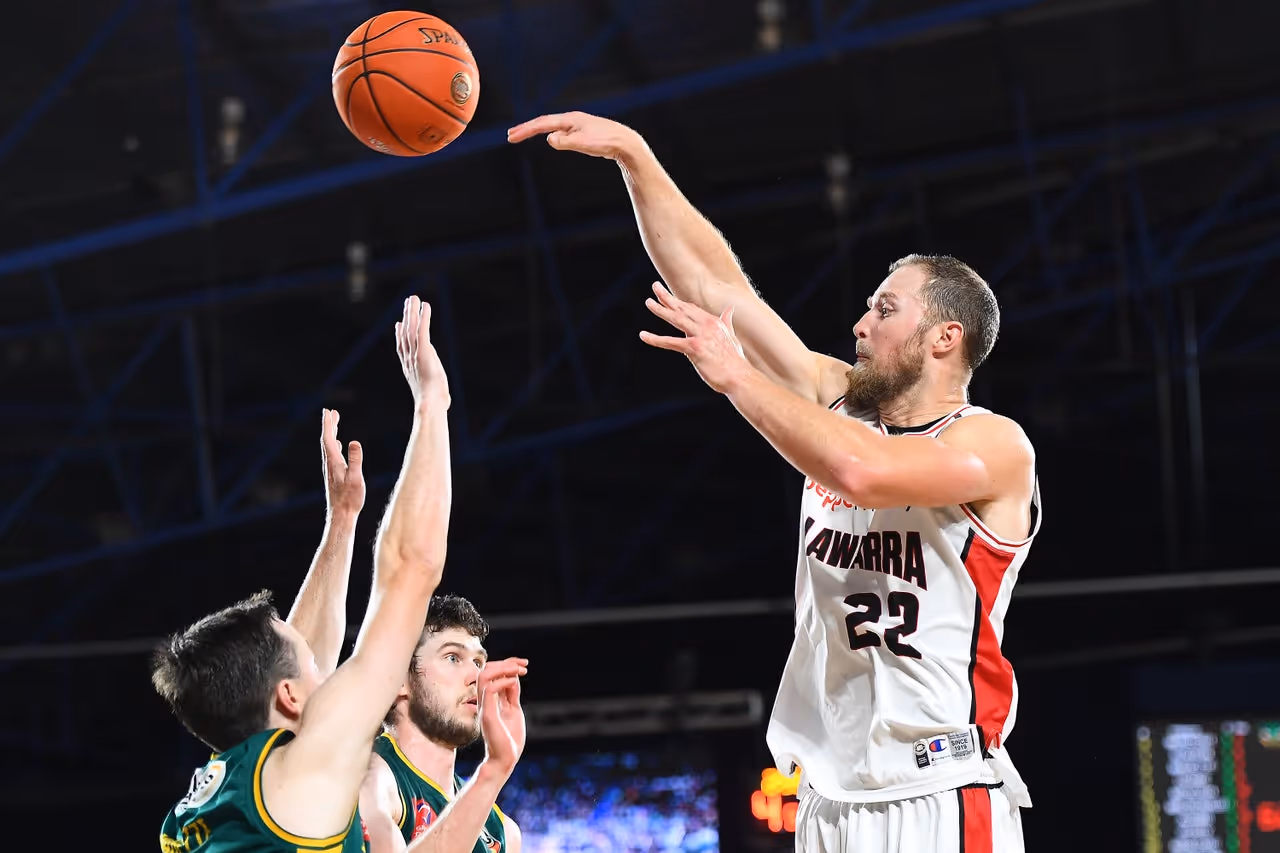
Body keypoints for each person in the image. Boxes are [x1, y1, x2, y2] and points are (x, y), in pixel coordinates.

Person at [509, 114, 1041, 852]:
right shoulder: (838, 396)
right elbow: (714, 284)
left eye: (885, 309)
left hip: (939, 793)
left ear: (944, 337)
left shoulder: (993, 443)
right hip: (827, 797)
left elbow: (859, 471)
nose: (859, 322)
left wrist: (736, 379)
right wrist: (635, 157)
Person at [153, 296, 466, 853]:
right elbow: (411, 569)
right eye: (310, 663)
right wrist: (431, 404)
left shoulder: (221, 786)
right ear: (291, 697)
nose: (328, 662)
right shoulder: (307, 775)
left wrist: (342, 522)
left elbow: (302, 659)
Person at [359, 594, 526, 853]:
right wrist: (493, 771)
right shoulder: (369, 782)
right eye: (453, 658)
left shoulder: (502, 831)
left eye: (478, 662)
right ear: (398, 679)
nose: (476, 677)